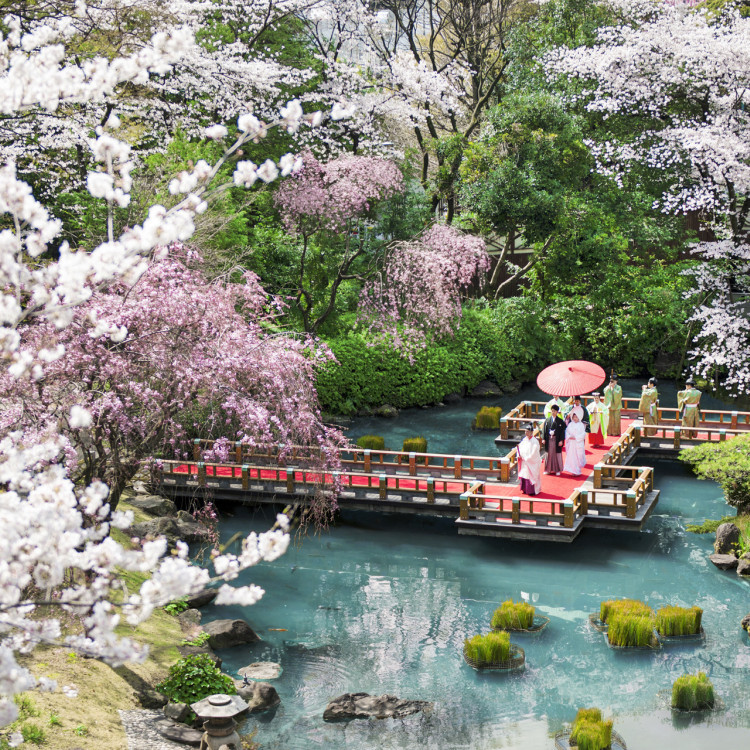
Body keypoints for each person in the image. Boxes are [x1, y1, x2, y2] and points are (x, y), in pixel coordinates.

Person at [518, 423, 542, 495]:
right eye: (525, 431)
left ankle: (532, 491)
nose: (526, 433)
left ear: (531, 432)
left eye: (528, 431)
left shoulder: (535, 441)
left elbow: (534, 453)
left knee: (530, 475)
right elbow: (520, 448)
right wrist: (519, 455)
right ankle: (525, 489)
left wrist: (527, 458)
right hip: (524, 460)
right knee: (525, 474)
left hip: (531, 461)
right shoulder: (524, 440)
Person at [542, 405, 566, 475]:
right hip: (549, 439)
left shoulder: (560, 421)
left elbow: (562, 431)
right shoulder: (547, 420)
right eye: (552, 411)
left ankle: (557, 470)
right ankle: (548, 469)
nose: (553, 412)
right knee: (548, 454)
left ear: (557, 412)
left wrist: (561, 440)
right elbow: (544, 430)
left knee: (556, 455)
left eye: (554, 411)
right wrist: (543, 438)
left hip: (556, 439)